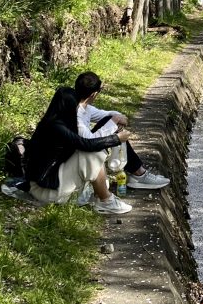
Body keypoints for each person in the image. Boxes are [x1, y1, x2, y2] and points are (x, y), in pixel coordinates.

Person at [22, 86, 134, 214]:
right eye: (76, 106)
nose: (78, 109)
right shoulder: (56, 126)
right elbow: (86, 144)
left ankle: (100, 194)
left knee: (90, 150)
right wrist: (116, 139)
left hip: (50, 181)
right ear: (68, 107)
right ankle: (105, 201)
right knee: (92, 153)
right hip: (44, 191)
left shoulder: (56, 121)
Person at [74, 71, 169, 191]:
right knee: (112, 126)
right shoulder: (76, 114)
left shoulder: (84, 107)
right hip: (77, 156)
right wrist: (114, 126)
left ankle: (137, 172)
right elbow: (88, 141)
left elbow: (107, 114)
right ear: (94, 94)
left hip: (84, 148)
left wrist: (119, 118)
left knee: (110, 121)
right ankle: (138, 174)